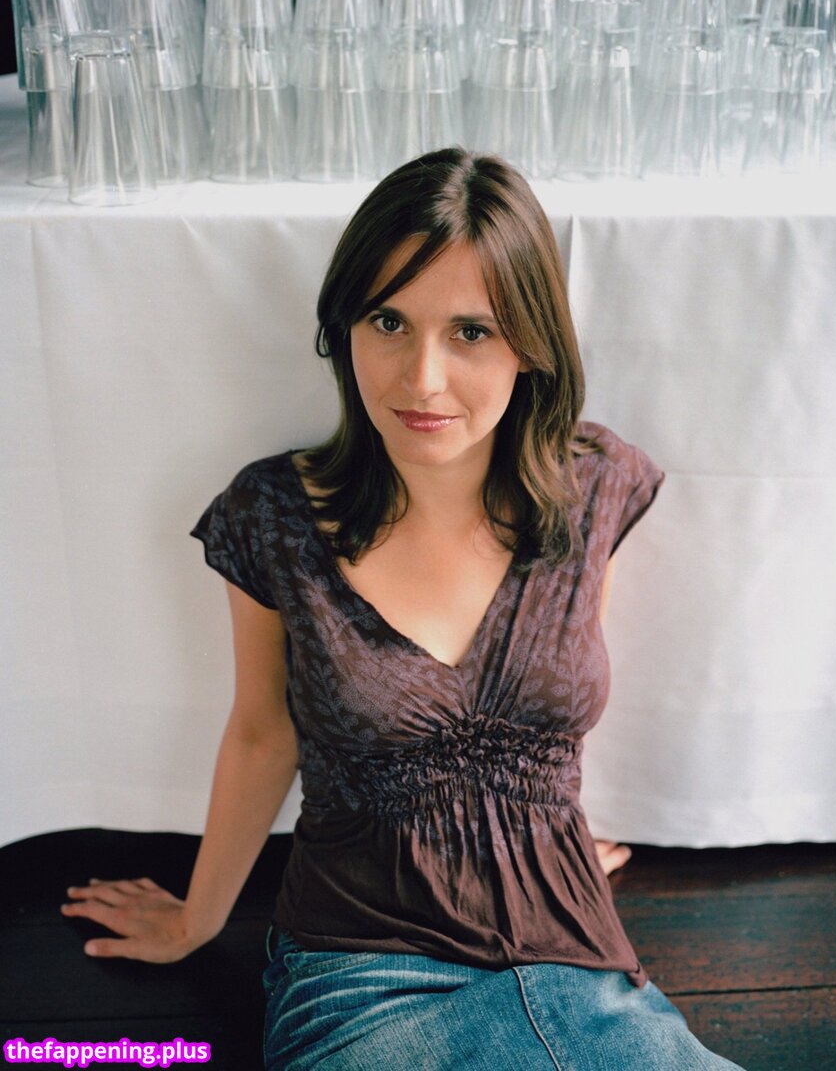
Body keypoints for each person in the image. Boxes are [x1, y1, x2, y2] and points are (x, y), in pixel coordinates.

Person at [61, 148, 745, 1070]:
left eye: (472, 332)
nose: (422, 379)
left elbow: (560, 692)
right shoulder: (275, 516)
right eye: (388, 321)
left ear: (530, 344)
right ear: (343, 326)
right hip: (364, 974)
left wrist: (539, 829)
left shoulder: (594, 486)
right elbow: (262, 733)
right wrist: (197, 918)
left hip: (576, 957)